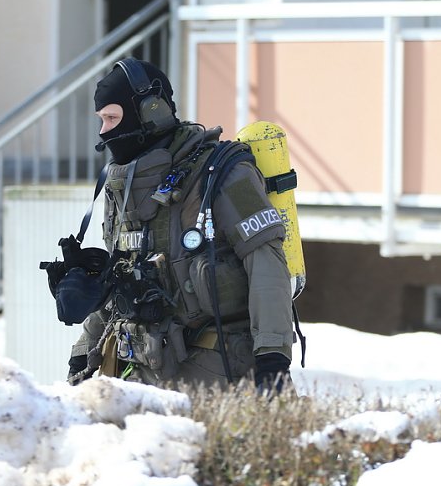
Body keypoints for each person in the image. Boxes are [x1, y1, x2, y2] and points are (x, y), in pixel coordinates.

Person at [66, 57, 294, 391]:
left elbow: (267, 263)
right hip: (141, 370)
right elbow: (122, 276)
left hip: (217, 373)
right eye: (101, 120)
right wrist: (85, 350)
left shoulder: (225, 174)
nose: (105, 132)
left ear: (151, 111)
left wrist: (273, 359)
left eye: (113, 117)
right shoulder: (122, 188)